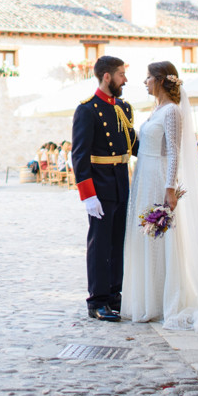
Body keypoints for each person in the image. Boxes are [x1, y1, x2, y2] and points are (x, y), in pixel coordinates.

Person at [119, 60, 198, 333]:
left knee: (160, 238)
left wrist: (169, 188)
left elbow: (174, 152)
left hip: (158, 178)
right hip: (143, 177)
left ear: (161, 80)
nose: (145, 82)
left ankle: (166, 300)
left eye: (148, 77)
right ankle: (147, 298)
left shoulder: (172, 111)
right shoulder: (156, 109)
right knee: (145, 237)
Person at [71, 55, 136, 321]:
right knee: (99, 244)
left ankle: (114, 294)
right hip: (100, 185)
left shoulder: (123, 108)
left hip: (121, 181)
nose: (125, 80)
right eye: (121, 74)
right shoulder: (87, 110)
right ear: (107, 76)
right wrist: (88, 195)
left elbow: (133, 144)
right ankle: (97, 300)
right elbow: (79, 155)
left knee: (117, 241)